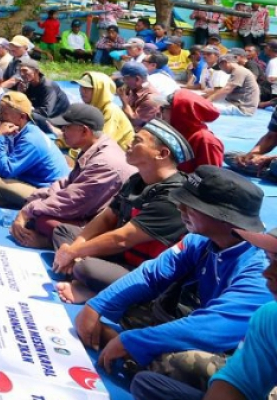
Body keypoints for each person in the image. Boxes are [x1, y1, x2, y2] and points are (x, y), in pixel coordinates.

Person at [74, 166, 269, 391]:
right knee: (134, 307)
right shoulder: (201, 240)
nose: (180, 208)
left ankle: (134, 356)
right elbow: (150, 275)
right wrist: (97, 304)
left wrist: (134, 341)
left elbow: (215, 328)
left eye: (191, 205)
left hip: (245, 353)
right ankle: (134, 355)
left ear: (224, 218)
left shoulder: (262, 269)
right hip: (212, 327)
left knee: (181, 364)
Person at [128, 224, 277, 400]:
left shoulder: (254, 282)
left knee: (170, 363)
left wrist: (135, 342)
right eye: (272, 259)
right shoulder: (269, 317)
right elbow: (238, 384)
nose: (267, 273)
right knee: (147, 384)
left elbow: (212, 329)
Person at [53, 121, 191, 303]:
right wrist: (74, 248)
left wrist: (74, 253)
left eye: (137, 141)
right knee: (63, 231)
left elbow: (123, 238)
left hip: (141, 271)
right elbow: (108, 216)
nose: (128, 144)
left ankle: (90, 287)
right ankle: (85, 281)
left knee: (85, 268)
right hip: (118, 255)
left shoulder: (173, 196)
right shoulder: (137, 179)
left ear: (162, 153)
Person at [9, 104, 135, 249]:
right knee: (36, 208)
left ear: (84, 131)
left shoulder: (104, 163)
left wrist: (29, 211)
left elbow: (72, 201)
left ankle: (50, 242)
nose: (62, 131)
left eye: (67, 127)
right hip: (87, 211)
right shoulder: (93, 147)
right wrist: (34, 200)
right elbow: (68, 183)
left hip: (104, 226)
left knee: (44, 221)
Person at [0, 92, 69, 207]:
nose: (0, 116)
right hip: (34, 182)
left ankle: (15, 203)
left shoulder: (30, 140)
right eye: (0, 111)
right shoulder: (19, 131)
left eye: (4, 113)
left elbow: (6, 171)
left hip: (50, 193)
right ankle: (12, 199)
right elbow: (8, 159)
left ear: (22, 116)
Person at [160, 89, 224, 173]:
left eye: (164, 108)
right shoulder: (175, 133)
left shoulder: (205, 141)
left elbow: (210, 178)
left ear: (180, 112)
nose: (161, 112)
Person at [78, 71, 135, 150]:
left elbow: (102, 143)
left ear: (100, 91)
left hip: (121, 155)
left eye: (87, 88)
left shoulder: (110, 111)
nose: (82, 91)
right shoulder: (91, 107)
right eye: (81, 86)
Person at [16, 58, 70, 133]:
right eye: (20, 71)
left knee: (27, 115)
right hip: (44, 116)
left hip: (57, 120)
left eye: (25, 70)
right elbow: (25, 103)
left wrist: (29, 109)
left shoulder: (48, 86)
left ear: (36, 71)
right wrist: (21, 93)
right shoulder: (29, 84)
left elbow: (46, 111)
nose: (21, 74)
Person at [205, 48, 260, 116]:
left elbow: (227, 89)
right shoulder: (238, 70)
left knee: (204, 107)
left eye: (220, 66)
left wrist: (207, 101)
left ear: (225, 63)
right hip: (236, 104)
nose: (221, 69)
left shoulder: (239, 71)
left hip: (241, 109)